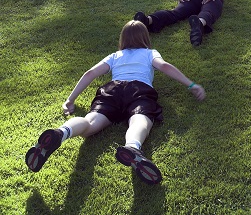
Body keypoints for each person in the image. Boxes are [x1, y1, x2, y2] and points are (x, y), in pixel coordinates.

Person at [24, 20, 205, 185]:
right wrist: (191, 84)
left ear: (123, 39)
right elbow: (164, 66)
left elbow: (90, 73)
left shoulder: (115, 56)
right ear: (145, 38)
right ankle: (132, 147)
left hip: (112, 90)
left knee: (90, 121)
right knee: (140, 119)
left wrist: (70, 100)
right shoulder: (150, 53)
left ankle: (62, 132)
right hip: (139, 91)